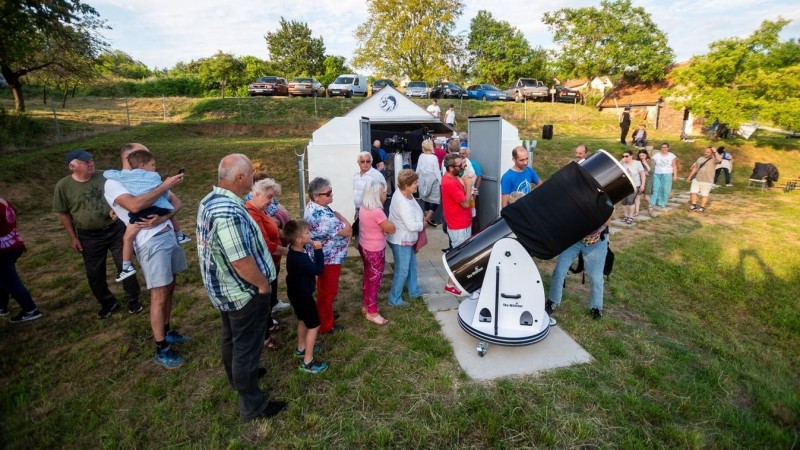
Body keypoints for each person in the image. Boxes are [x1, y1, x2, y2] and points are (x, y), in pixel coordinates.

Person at [196, 154, 286, 422]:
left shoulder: (209, 200)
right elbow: (240, 259)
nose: (252, 177)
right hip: (243, 292)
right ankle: (253, 405)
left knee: (230, 337)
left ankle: (238, 378)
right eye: (249, 173)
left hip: (222, 287)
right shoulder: (229, 211)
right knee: (246, 344)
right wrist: (261, 285)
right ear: (239, 178)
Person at [104, 143, 190, 369]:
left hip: (167, 235)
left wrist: (162, 218)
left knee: (170, 286)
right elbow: (134, 205)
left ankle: (168, 330)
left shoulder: (149, 180)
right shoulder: (114, 183)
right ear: (130, 157)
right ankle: (161, 348)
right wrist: (163, 186)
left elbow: (176, 203)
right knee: (159, 292)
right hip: (149, 242)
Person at [53, 149, 144, 318]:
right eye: (85, 162)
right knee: (94, 273)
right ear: (72, 166)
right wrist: (73, 237)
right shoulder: (63, 186)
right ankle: (107, 303)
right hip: (89, 236)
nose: (91, 163)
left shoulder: (107, 176)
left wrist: (117, 208)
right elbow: (64, 213)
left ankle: (133, 300)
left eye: (91, 160)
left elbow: (127, 195)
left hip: (115, 230)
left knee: (125, 266)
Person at [103, 149, 190, 282]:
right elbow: (135, 205)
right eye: (153, 165)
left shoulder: (124, 177)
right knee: (163, 288)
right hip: (154, 220)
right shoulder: (153, 176)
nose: (155, 168)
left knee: (127, 238)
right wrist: (165, 186)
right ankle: (180, 234)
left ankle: (126, 267)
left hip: (146, 217)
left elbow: (109, 174)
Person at [304, 177, 352, 334]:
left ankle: (326, 313)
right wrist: (341, 218)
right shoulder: (322, 215)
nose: (332, 195)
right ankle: (326, 324)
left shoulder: (314, 207)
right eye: (328, 193)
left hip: (324, 256)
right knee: (327, 291)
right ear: (316, 196)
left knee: (325, 289)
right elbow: (347, 231)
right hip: (328, 259)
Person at [245, 178, 289, 350]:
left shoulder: (261, 210)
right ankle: (264, 338)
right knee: (262, 303)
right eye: (269, 197)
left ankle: (268, 324)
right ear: (257, 194)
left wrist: (290, 236)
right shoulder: (252, 213)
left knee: (269, 298)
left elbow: (273, 230)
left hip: (273, 263)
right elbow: (265, 244)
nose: (272, 201)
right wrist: (288, 252)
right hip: (263, 265)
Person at [284, 219, 329, 374]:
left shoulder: (293, 250)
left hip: (295, 293)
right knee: (314, 325)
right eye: (307, 233)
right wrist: (318, 250)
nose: (310, 234)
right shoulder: (301, 259)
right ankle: (307, 362)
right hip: (303, 295)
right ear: (299, 240)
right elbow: (318, 270)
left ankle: (301, 348)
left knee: (302, 320)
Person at [546, 222, 610, 320]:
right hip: (573, 239)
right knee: (559, 271)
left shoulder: (605, 206)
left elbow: (607, 221)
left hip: (597, 242)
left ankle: (596, 307)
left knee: (596, 277)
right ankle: (552, 301)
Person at [386, 169, 426, 306]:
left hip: (406, 239)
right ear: (406, 185)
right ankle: (394, 299)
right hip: (400, 240)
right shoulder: (402, 202)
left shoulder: (407, 194)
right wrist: (423, 224)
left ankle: (413, 291)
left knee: (412, 266)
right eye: (415, 183)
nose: (417, 185)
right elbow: (411, 226)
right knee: (402, 270)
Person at [357, 179, 395, 324]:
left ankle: (366, 305)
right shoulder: (378, 212)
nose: (386, 195)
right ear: (376, 194)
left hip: (364, 246)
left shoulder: (363, 207)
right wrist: (392, 225)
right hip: (375, 250)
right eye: (384, 192)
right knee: (375, 281)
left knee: (368, 277)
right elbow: (390, 228)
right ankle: (372, 312)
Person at [0, 196, 42, 323]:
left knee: (10, 281)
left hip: (3, 250)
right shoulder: (2, 200)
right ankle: (2, 307)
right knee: (3, 278)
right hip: (14, 244)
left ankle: (30, 310)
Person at [441, 154, 475, 296]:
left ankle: (458, 281)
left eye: (464, 164)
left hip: (463, 222)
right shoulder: (450, 183)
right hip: (458, 225)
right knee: (460, 257)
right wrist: (468, 186)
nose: (464, 167)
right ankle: (450, 284)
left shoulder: (453, 178)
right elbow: (466, 203)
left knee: (463, 255)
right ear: (450, 168)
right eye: (461, 165)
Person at [686, 147, 723, 213]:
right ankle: (693, 205)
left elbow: (720, 160)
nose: (705, 153)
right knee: (693, 192)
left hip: (707, 180)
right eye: (705, 151)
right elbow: (695, 168)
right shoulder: (700, 158)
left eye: (708, 152)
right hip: (697, 179)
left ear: (712, 153)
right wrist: (689, 176)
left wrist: (715, 152)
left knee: (704, 195)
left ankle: (702, 207)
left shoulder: (714, 159)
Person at [352, 151, 384, 222]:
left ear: (371, 162)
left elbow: (383, 194)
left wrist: (377, 212)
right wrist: (356, 210)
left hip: (371, 212)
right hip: (358, 211)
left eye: (368, 161)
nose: (365, 163)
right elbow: (356, 193)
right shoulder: (355, 175)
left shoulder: (377, 175)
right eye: (362, 161)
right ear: (358, 162)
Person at [416, 139, 442, 227]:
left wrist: (416, 180)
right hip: (433, 179)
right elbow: (437, 171)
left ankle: (428, 219)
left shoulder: (421, 156)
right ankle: (427, 219)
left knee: (425, 199)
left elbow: (418, 169)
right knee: (436, 200)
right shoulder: (434, 157)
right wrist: (441, 181)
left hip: (422, 178)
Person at [619, 150, 646, 224]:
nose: (625, 158)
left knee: (630, 200)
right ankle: (626, 216)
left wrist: (642, 185)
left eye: (627, 156)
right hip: (624, 185)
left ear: (631, 156)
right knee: (624, 201)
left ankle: (631, 216)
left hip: (635, 185)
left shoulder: (637, 163)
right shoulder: (622, 163)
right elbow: (615, 170)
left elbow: (642, 174)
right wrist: (621, 162)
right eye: (623, 156)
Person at [460, 147, 482, 234]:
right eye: (460, 153)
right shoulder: (459, 163)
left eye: (463, 153)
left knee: (474, 215)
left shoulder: (474, 163)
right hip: (465, 194)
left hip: (473, 193)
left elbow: (479, 177)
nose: (461, 155)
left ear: (468, 154)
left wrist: (475, 192)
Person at [651, 143, 678, 208]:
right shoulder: (656, 156)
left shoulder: (671, 156)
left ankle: (662, 202)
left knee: (665, 188)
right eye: (662, 147)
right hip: (657, 174)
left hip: (667, 174)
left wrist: (675, 175)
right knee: (656, 188)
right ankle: (652, 202)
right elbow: (652, 165)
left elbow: (674, 166)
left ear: (668, 148)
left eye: (665, 147)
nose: (663, 149)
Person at [637, 149, 654, 215]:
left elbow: (651, 171)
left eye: (643, 155)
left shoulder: (651, 161)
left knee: (646, 197)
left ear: (646, 155)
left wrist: (645, 163)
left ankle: (650, 205)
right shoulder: (637, 162)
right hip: (639, 181)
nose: (641, 157)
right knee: (637, 196)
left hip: (648, 181)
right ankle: (636, 211)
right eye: (640, 155)